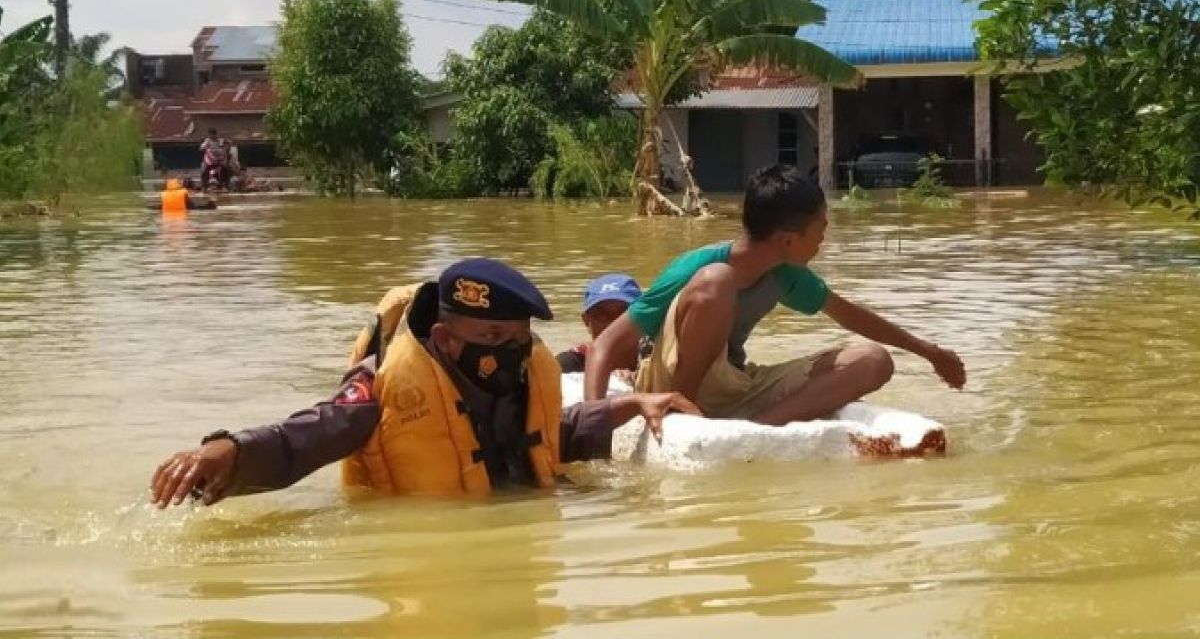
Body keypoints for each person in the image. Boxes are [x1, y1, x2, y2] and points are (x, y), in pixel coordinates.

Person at [150, 258, 697, 507]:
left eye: (519, 337)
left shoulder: (526, 371)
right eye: (494, 335)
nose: (512, 351)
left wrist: (634, 404)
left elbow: (553, 435)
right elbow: (308, 436)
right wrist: (229, 451)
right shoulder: (385, 388)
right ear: (448, 338)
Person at [584, 164, 966, 425]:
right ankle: (680, 415)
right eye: (820, 228)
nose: (823, 239)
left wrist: (929, 352)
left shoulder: (786, 273)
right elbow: (605, 346)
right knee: (717, 282)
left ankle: (761, 426)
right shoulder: (697, 269)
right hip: (668, 386)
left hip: (734, 385)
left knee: (873, 360)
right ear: (788, 239)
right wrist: (591, 420)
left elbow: (850, 315)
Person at [554, 273, 644, 374]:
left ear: (643, 318)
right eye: (602, 314)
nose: (613, 323)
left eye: (623, 314)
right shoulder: (568, 366)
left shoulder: (658, 360)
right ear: (586, 321)